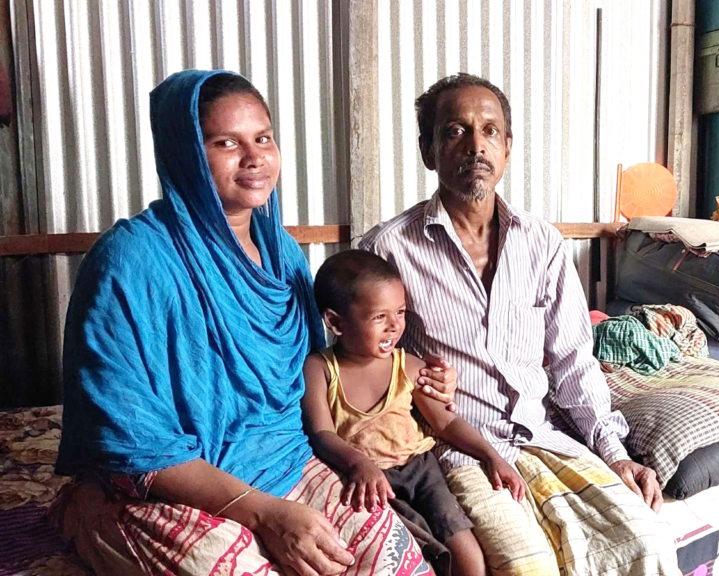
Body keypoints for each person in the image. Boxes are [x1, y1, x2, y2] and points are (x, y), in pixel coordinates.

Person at [53, 70, 457, 576]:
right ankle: (84, 515)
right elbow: (130, 438)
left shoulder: (283, 253)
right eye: (227, 142)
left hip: (285, 460)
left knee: (390, 556)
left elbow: (321, 370)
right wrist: (264, 514)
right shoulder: (129, 262)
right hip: (168, 484)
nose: (255, 157)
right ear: (185, 152)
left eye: (263, 138)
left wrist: (417, 382)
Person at [360, 73, 679, 575]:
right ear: (428, 150)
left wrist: (615, 454)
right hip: (461, 450)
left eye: (490, 131)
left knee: (649, 544)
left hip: (544, 435)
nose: (475, 145)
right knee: (528, 566)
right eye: (455, 131)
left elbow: (574, 360)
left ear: (508, 148)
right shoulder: (387, 250)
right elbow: (363, 362)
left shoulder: (542, 243)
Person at [302, 249, 526, 576]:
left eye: (401, 312)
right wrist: (359, 463)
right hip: (368, 479)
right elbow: (321, 433)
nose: (395, 326)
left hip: (422, 472)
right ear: (336, 322)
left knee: (468, 556)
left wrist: (491, 456)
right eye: (380, 317)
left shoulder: (406, 366)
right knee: (412, 554)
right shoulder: (320, 369)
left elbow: (445, 421)